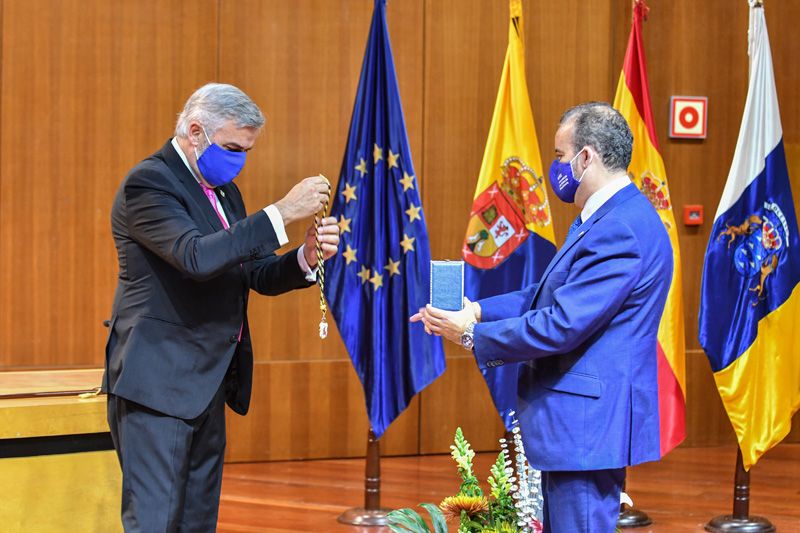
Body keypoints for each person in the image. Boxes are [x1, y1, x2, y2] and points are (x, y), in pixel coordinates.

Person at [413, 102, 672, 532]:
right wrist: (477, 309)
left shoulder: (618, 228)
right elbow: (548, 294)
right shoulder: (608, 217)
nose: (556, 167)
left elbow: (563, 324)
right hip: (580, 424)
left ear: (586, 157)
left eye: (559, 155)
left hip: (587, 425)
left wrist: (474, 334)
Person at [103, 83, 340, 532]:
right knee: (155, 523)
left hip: (208, 382)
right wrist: (282, 212)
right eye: (233, 147)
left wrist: (305, 257)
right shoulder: (149, 183)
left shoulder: (224, 192)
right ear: (196, 132)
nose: (239, 160)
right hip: (157, 384)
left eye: (247, 150)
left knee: (197, 522)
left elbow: (253, 271)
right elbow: (197, 257)